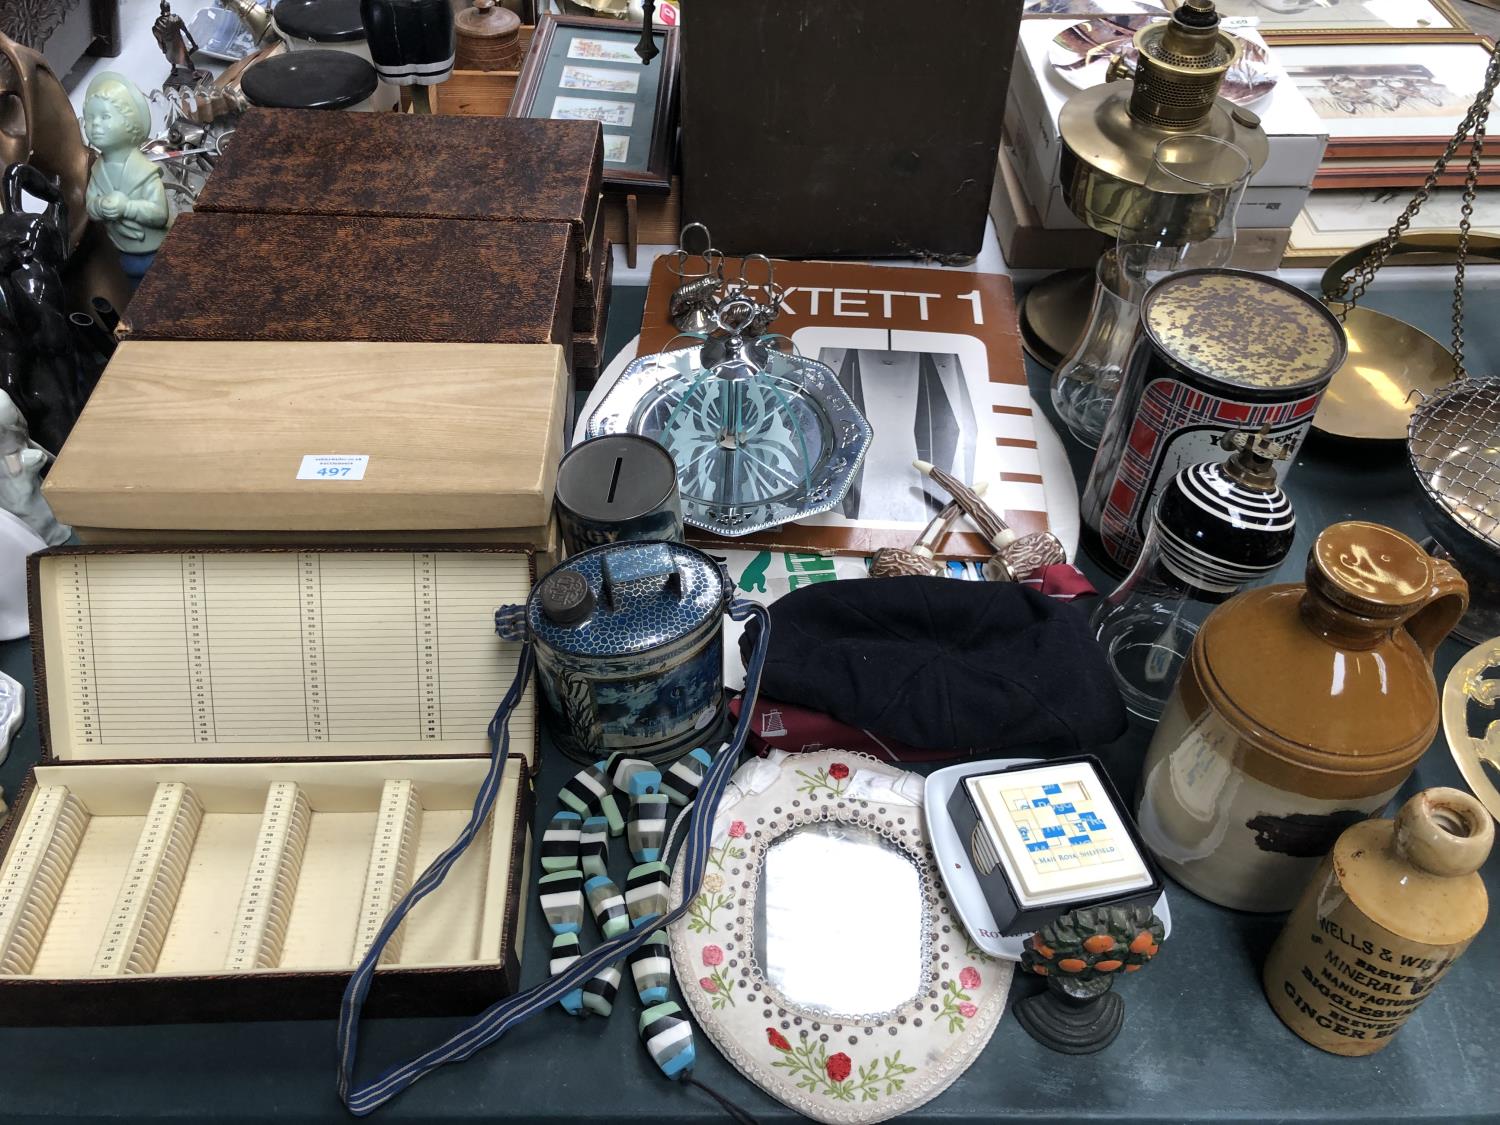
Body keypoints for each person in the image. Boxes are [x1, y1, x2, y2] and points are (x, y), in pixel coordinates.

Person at [82, 73, 171, 282]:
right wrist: (100, 205)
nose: (95, 124)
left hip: (157, 255)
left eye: (105, 117)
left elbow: (159, 214)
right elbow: (90, 205)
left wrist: (126, 207)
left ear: (130, 123)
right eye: (89, 118)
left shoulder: (145, 172)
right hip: (124, 256)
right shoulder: (97, 170)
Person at [152, 1, 210, 90]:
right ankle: (194, 73)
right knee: (187, 60)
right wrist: (193, 44)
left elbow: (156, 34)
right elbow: (186, 32)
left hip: (169, 49)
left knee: (172, 56)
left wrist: (163, 47)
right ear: (169, 8)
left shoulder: (158, 22)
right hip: (178, 47)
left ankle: (174, 68)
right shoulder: (176, 19)